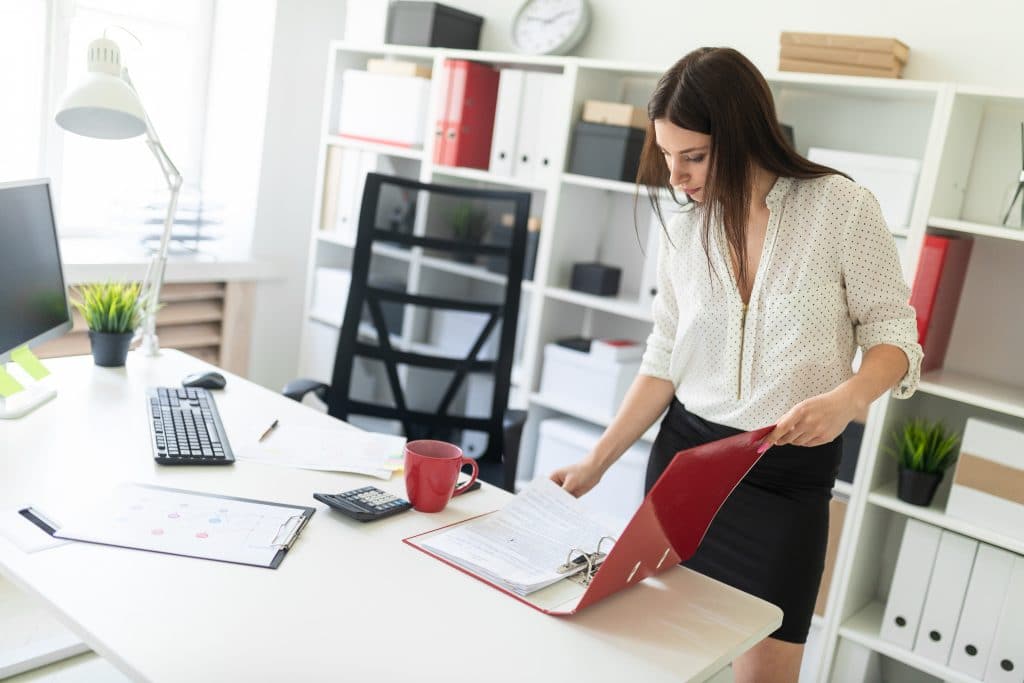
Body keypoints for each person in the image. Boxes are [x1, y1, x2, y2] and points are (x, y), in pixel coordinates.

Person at [550, 47, 922, 683]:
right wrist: (596, 462)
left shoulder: (840, 208)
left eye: (692, 156)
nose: (677, 178)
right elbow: (665, 354)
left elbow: (894, 335)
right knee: (659, 659)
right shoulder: (685, 227)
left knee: (765, 677)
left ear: (745, 133)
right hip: (686, 464)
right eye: (667, 157)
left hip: (784, 475)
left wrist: (849, 400)